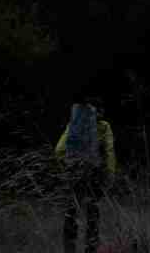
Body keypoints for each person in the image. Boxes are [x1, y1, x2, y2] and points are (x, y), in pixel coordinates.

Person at [55, 95, 117, 253]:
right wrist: (110, 173)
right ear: (100, 111)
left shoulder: (74, 124)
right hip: (94, 174)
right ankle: (91, 248)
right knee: (92, 212)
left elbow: (59, 150)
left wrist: (67, 167)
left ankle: (68, 248)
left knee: (71, 211)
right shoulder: (104, 126)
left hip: (74, 172)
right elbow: (109, 152)